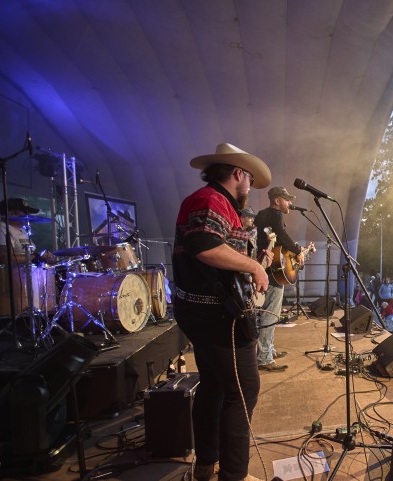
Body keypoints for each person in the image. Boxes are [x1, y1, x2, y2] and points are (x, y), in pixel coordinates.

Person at [173, 142, 271, 481]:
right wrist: (256, 269)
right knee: (243, 391)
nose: (250, 189)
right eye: (250, 182)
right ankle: (233, 475)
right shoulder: (211, 200)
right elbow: (203, 245)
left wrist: (252, 263)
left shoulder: (213, 201)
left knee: (214, 385)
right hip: (216, 316)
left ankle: (206, 465)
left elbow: (222, 254)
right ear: (238, 174)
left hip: (206, 313)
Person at [255, 186, 304, 372]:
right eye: (287, 199)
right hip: (272, 274)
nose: (290, 203)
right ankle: (264, 357)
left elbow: (273, 242)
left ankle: (269, 350)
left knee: (269, 313)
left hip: (264, 268)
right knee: (270, 314)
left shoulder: (261, 215)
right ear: (277, 200)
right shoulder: (275, 216)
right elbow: (282, 237)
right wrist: (298, 251)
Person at [0, 197, 56, 267]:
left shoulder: (23, 231)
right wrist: (36, 256)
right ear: (11, 213)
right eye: (25, 212)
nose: (28, 215)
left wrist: (43, 257)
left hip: (21, 278)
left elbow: (28, 256)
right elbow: (5, 258)